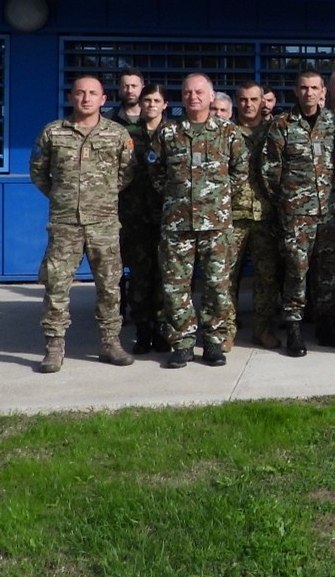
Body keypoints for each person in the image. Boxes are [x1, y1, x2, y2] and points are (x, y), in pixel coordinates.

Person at [29, 75, 136, 372]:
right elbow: (38, 172)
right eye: (80, 93)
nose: (86, 98)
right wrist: (62, 196)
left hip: (103, 223)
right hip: (65, 224)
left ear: (103, 100)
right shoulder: (53, 133)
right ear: (71, 97)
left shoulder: (117, 134)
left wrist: (102, 194)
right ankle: (53, 346)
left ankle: (110, 342)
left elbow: (127, 173)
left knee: (110, 285)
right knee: (57, 284)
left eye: (93, 94)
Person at [150, 72, 247, 367]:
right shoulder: (168, 133)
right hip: (177, 224)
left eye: (199, 92)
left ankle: (214, 342)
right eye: (188, 92)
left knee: (218, 285)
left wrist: (217, 201)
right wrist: (177, 198)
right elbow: (156, 174)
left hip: (215, 225)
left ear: (211, 95)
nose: (193, 97)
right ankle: (181, 342)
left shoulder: (228, 132)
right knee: (176, 286)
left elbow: (240, 172)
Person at [261, 69, 335, 357]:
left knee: (328, 273)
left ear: (324, 92)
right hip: (296, 214)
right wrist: (289, 203)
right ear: (296, 92)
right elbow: (271, 172)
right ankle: (294, 326)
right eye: (303, 88)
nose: (309, 93)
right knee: (297, 270)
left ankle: (327, 326)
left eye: (314, 88)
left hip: (330, 212)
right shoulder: (282, 124)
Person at [230, 82, 281, 349]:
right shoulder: (225, 132)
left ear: (263, 101)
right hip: (233, 214)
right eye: (243, 99)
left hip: (265, 213)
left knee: (266, 276)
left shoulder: (274, 131)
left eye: (253, 99)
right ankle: (225, 329)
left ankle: (263, 329)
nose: (248, 104)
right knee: (227, 276)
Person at [120, 82, 168, 353]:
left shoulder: (173, 133)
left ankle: (162, 329)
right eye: (147, 100)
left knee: (165, 275)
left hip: (165, 214)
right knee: (139, 275)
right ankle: (142, 331)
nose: (151, 105)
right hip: (134, 214)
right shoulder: (126, 134)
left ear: (165, 105)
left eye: (156, 101)